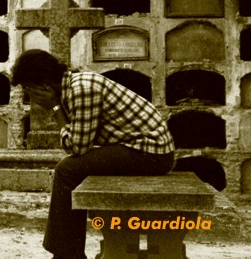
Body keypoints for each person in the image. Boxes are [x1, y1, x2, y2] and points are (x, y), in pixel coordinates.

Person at [11, 49, 175, 259]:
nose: (29, 96)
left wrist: (54, 108)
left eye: (28, 89)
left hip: (151, 152)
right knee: (70, 169)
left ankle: (67, 255)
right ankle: (66, 252)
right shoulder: (73, 87)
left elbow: (77, 147)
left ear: (44, 85)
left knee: (67, 169)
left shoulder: (82, 90)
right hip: (139, 148)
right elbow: (78, 141)